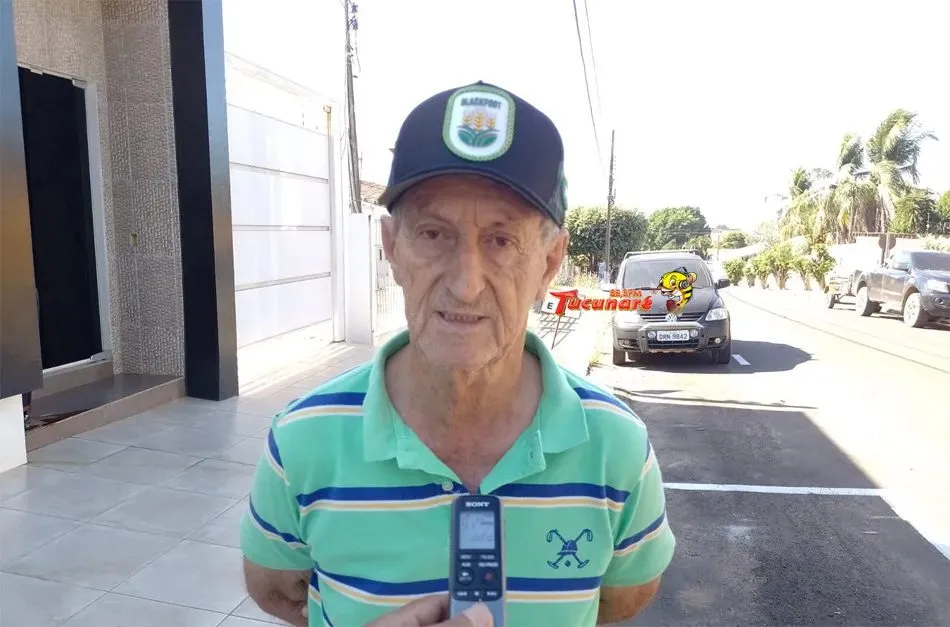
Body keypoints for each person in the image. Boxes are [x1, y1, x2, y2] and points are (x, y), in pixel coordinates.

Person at [239, 81, 676, 627]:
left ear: (549, 262)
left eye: (501, 241)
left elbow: (624, 598)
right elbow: (277, 591)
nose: (466, 285)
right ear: (392, 247)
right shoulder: (302, 439)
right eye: (433, 234)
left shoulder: (616, 445)